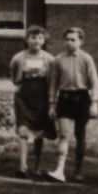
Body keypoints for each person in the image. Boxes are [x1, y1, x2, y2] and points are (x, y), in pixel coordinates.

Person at [49, 26, 98, 181]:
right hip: (64, 98)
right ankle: (60, 169)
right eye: (67, 39)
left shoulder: (86, 58)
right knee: (64, 134)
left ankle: (78, 170)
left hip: (81, 98)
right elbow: (53, 84)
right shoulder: (58, 59)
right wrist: (52, 104)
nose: (70, 43)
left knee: (80, 135)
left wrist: (94, 103)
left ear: (80, 41)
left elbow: (94, 82)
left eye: (73, 40)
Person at [10, 25, 57, 178]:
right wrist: (18, 85)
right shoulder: (19, 57)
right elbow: (13, 73)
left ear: (44, 41)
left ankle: (36, 166)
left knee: (39, 132)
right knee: (23, 130)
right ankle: (23, 166)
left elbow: (53, 81)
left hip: (42, 98)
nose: (36, 41)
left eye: (40, 38)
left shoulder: (50, 59)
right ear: (27, 40)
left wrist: (51, 101)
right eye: (33, 37)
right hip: (24, 97)